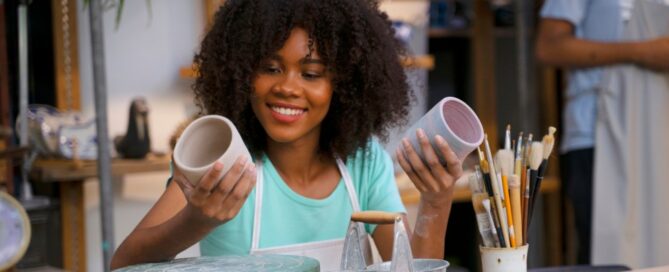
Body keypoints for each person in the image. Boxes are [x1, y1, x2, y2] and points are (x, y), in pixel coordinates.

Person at [111, 0, 464, 270]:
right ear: (242, 72)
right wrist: (195, 221)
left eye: (311, 74)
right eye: (270, 68)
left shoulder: (363, 160)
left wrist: (437, 201)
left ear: (342, 85)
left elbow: (410, 268)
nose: (287, 87)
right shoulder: (222, 160)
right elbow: (122, 265)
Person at [536, 0, 669, 264]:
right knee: (612, 254)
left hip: (659, 131)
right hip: (598, 133)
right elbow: (548, 46)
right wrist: (642, 51)